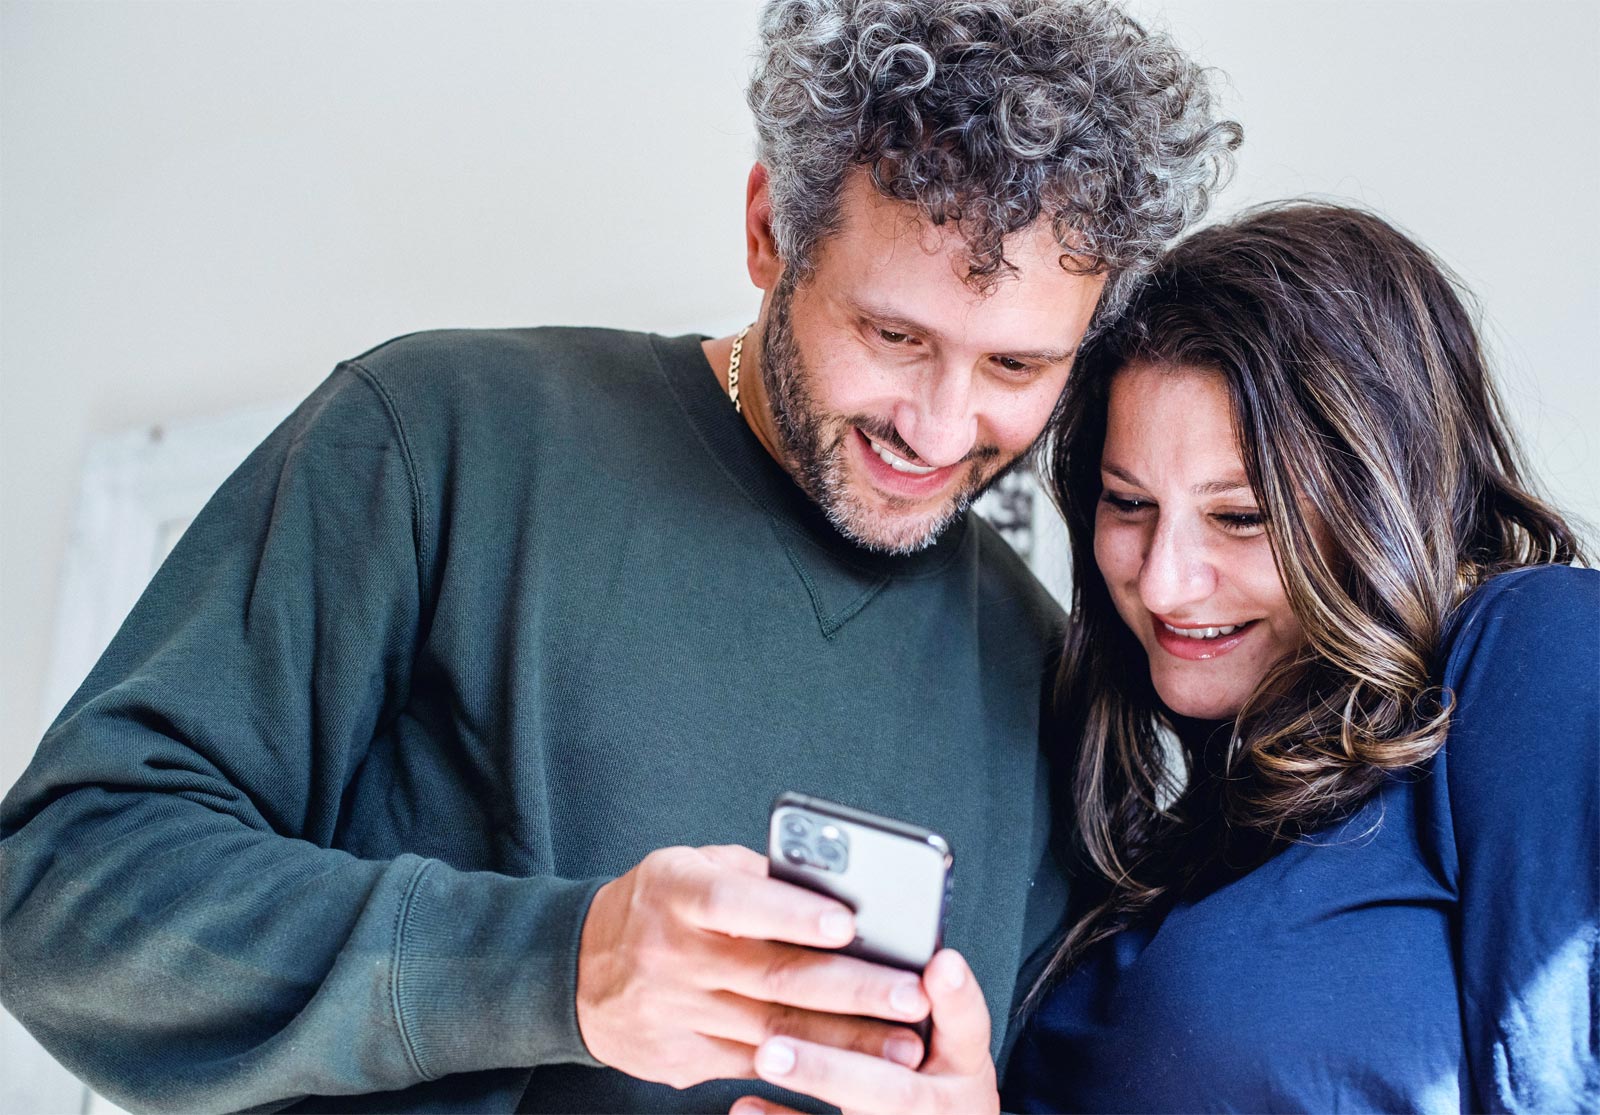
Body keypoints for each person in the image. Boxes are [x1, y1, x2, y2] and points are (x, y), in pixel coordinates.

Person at [0, 2, 1240, 1113]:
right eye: (890, 332)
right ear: (769, 232)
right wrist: (562, 963)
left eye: (1016, 366)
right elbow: (61, 891)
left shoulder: (1052, 678)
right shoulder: (439, 433)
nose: (936, 423)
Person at [1003, 202, 1598, 1113]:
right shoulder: (1161, 844)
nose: (1163, 584)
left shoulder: (1532, 646)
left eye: (1240, 517)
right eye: (1128, 504)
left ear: (1381, 505)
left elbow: (1558, 1057)